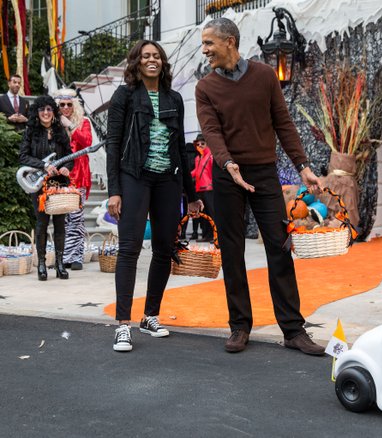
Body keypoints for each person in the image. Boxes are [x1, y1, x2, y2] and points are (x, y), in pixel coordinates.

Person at [195, 18, 325, 356]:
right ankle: (240, 326)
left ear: (230, 42)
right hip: (228, 176)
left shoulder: (266, 76)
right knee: (233, 252)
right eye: (203, 44)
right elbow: (211, 132)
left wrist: (303, 167)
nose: (205, 49)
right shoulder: (205, 87)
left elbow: (283, 123)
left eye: (210, 43)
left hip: (265, 174)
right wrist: (228, 163)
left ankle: (293, 330)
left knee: (279, 248)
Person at [106, 39, 202, 353]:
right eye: (146, 56)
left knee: (164, 248)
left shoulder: (174, 98)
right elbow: (114, 144)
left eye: (157, 56)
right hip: (134, 176)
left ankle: (150, 316)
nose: (152, 60)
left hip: (168, 180)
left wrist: (192, 194)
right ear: (136, 63)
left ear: (163, 63)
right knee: (130, 248)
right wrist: (114, 191)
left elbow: (180, 149)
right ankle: (123, 325)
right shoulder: (124, 96)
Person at [19, 95, 73, 281]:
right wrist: (43, 166)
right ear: (37, 112)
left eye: (49, 109)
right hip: (40, 186)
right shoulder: (31, 132)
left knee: (60, 225)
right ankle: (41, 264)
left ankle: (59, 264)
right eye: (42, 109)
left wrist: (67, 167)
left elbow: (70, 156)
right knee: (42, 225)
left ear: (53, 112)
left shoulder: (60, 131)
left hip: (59, 185)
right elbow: (23, 156)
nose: (46, 113)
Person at [53, 88, 93, 270]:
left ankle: (75, 256)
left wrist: (70, 125)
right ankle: (64, 257)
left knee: (76, 218)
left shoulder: (83, 122)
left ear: (74, 105)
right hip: (59, 176)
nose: (66, 107)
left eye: (69, 104)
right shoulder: (52, 124)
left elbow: (87, 142)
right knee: (63, 219)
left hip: (79, 175)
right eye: (62, 105)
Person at [190, 133, 214, 242]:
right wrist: (187, 175)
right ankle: (206, 235)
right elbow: (196, 171)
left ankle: (215, 236)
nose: (200, 145)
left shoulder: (211, 156)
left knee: (212, 213)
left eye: (202, 143)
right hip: (199, 189)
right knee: (203, 215)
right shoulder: (197, 158)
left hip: (209, 189)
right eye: (197, 144)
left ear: (207, 144)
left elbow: (213, 172)